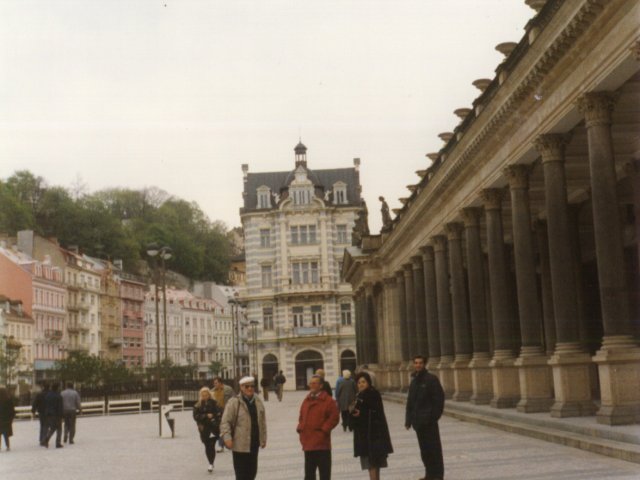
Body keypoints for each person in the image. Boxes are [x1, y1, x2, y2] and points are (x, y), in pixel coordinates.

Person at [405, 355, 445, 480]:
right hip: (418, 423)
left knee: (434, 450)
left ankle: (437, 476)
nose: (418, 365)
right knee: (425, 451)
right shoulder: (414, 381)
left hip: (429, 422)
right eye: (416, 363)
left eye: (420, 363)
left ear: (424, 364)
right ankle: (429, 474)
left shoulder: (431, 379)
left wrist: (433, 417)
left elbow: (439, 399)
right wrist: (408, 420)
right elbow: (410, 402)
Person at [220, 376, 267, 480]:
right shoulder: (234, 402)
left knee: (252, 473)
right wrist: (227, 437)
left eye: (252, 386)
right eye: (247, 386)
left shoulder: (258, 402)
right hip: (239, 445)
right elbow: (225, 422)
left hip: (254, 444)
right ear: (241, 387)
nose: (250, 388)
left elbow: (262, 422)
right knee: (241, 475)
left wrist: (263, 438)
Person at [351, 372, 393, 480]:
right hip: (366, 434)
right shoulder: (360, 395)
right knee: (372, 463)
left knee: (372, 462)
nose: (361, 384)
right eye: (359, 382)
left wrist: (361, 413)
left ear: (369, 382)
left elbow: (376, 412)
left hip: (373, 435)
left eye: (363, 382)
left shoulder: (372, 394)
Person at [297, 375, 340, 480]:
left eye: (314, 383)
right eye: (310, 383)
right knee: (309, 475)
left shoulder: (328, 401)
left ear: (321, 386)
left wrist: (324, 429)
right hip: (308, 443)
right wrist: (301, 428)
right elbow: (301, 416)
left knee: (324, 475)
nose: (311, 385)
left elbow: (334, 418)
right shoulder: (306, 400)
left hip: (322, 444)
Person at [193, 386, 222, 473]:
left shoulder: (214, 403)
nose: (205, 396)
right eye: (203, 395)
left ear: (209, 395)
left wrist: (215, 419)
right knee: (207, 445)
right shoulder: (197, 405)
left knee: (212, 445)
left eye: (206, 395)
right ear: (201, 395)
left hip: (213, 427)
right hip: (204, 428)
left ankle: (211, 463)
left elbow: (219, 413)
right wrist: (205, 416)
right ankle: (210, 461)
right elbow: (195, 416)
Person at [211, 377, 234, 452]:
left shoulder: (228, 389)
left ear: (220, 383)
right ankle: (221, 445)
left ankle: (228, 443)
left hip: (227, 411)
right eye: (214, 383)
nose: (215, 385)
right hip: (218, 412)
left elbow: (234, 399)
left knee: (228, 428)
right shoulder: (212, 391)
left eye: (216, 383)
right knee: (219, 429)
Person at [43, 382, 64, 448]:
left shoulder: (47, 395)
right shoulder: (58, 396)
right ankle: (58, 443)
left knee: (52, 427)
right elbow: (60, 407)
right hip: (56, 414)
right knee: (59, 429)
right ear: (57, 388)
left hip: (48, 413)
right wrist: (62, 416)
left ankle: (47, 438)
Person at [31, 381, 49, 445]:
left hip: (41, 412)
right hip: (49, 412)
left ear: (43, 387)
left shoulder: (39, 395)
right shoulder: (50, 394)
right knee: (46, 426)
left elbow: (35, 403)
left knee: (42, 425)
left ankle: (41, 439)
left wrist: (33, 412)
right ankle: (44, 439)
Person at [0, 387, 16, 451]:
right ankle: (8, 446)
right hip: (6, 420)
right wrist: (11, 419)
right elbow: (12, 411)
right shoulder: (8, 400)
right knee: (6, 434)